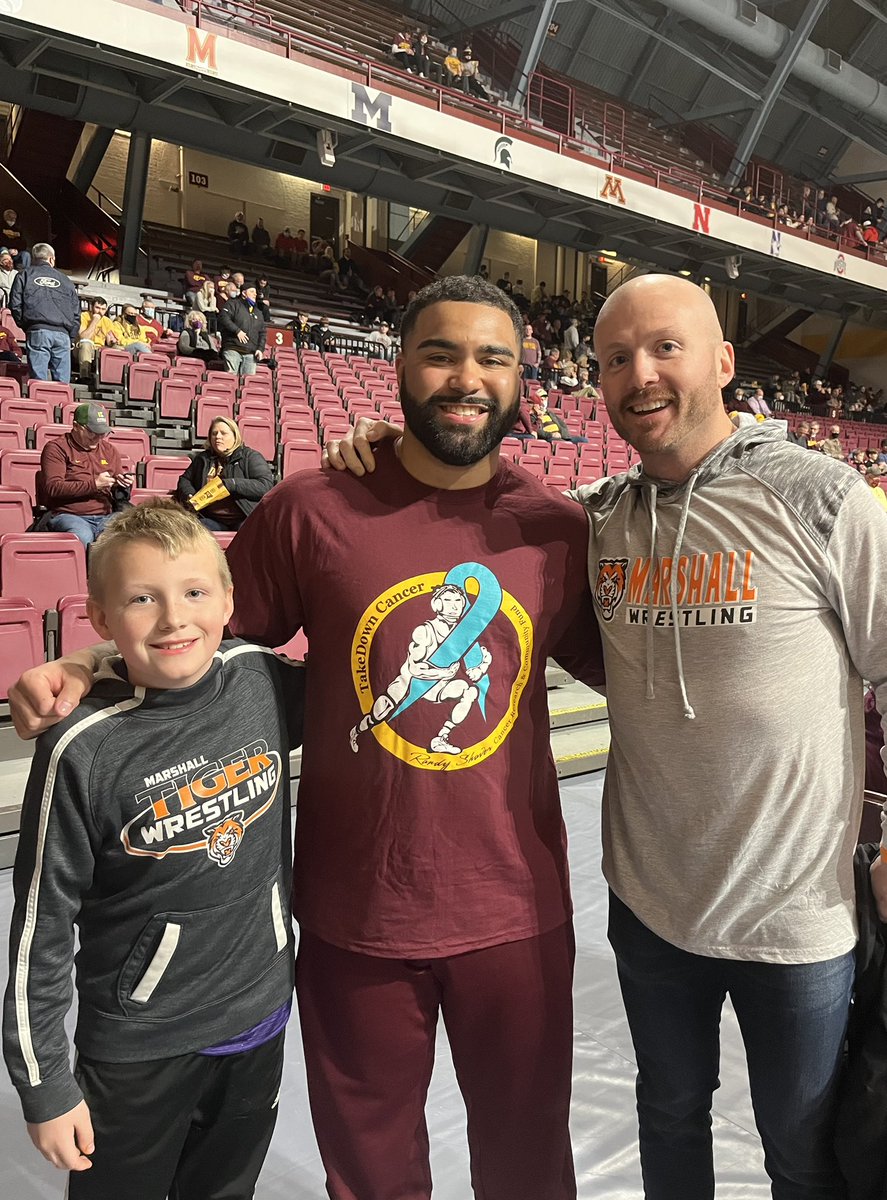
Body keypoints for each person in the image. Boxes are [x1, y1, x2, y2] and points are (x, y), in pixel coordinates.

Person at [7, 276, 607, 1200]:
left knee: (529, 1164)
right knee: (368, 1173)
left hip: (514, 913)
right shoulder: (313, 506)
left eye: (492, 357)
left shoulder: (557, 531)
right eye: (440, 352)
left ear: (522, 377)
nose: (465, 377)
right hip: (351, 914)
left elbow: (641, 666)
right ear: (399, 366)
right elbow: (188, 627)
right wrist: (90, 662)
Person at [327, 273, 887, 1199]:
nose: (640, 375)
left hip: (797, 910)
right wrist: (391, 452)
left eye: (665, 347)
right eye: (616, 358)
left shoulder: (822, 498)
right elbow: (474, 498)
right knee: (669, 1113)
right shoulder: (596, 517)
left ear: (723, 360)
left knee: (800, 1148)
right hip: (651, 902)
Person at [3, 499, 304, 1199]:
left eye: (195, 592)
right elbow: (38, 934)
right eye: (142, 599)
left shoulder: (261, 678)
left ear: (229, 600)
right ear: (102, 619)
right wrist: (45, 1083)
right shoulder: (81, 747)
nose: (174, 619)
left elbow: (371, 684)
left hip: (259, 1022)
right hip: (139, 1052)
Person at [36, 403, 128, 546]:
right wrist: (94, 485)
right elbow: (53, 488)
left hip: (106, 515)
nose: (97, 438)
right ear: (76, 426)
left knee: (132, 534)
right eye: (92, 432)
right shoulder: (56, 448)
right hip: (69, 514)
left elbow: (118, 494)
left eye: (102, 433)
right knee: (83, 537)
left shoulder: (110, 450)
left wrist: (122, 485)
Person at [176, 416, 274, 531]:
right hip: (212, 518)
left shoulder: (250, 457)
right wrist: (189, 494)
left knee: (247, 532)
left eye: (223, 433)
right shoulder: (202, 459)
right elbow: (185, 479)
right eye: (214, 433)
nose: (218, 437)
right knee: (194, 529)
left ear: (235, 436)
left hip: (243, 518)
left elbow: (265, 485)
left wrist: (231, 484)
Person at [9, 242, 79, 384]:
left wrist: (26, 326)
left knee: (38, 384)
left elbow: (15, 305)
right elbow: (76, 312)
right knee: (62, 385)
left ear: (34, 258)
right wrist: (71, 335)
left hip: (37, 331)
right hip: (63, 334)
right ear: (52, 259)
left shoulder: (24, 275)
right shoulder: (66, 280)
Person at [218, 283, 266, 375]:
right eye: (252, 291)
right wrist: (237, 331)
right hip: (233, 348)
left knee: (248, 383)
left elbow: (262, 333)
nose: (255, 294)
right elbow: (223, 318)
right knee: (231, 378)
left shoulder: (258, 312)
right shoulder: (232, 304)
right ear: (244, 293)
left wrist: (260, 349)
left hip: (250, 353)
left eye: (255, 292)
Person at [76, 297, 118, 377]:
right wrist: (95, 320)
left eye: (103, 309)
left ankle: (111, 378)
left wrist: (112, 341)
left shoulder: (107, 321)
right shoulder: (83, 316)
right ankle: (84, 376)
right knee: (86, 343)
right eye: (97, 308)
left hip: (99, 348)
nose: (100, 311)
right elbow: (84, 337)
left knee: (119, 349)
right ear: (92, 307)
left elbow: (109, 340)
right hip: (82, 348)